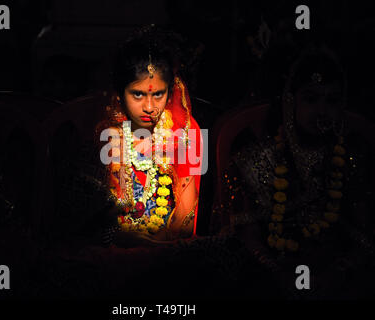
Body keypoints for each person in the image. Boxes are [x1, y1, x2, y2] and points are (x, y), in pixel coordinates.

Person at [211, 44, 375, 298]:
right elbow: (245, 235)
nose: (322, 111)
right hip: (269, 275)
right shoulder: (255, 161)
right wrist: (277, 273)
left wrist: (337, 273)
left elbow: (363, 236)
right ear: (290, 102)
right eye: (311, 99)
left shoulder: (351, 159)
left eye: (331, 100)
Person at [95, 27, 204, 247]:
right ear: (120, 91)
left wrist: (156, 245)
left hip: (169, 249)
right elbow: (95, 218)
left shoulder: (185, 131)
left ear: (170, 90)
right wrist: (122, 238)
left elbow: (185, 220)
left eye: (158, 94)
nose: (149, 107)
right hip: (115, 246)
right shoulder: (106, 134)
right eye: (138, 94)